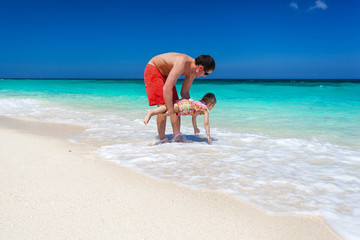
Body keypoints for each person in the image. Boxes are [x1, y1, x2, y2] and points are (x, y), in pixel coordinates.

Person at [144, 52, 215, 143]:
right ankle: (162, 140)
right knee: (164, 104)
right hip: (154, 69)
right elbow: (167, 88)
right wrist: (170, 109)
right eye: (206, 73)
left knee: (176, 103)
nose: (204, 76)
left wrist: (193, 108)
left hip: (166, 74)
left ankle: (177, 136)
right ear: (201, 67)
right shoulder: (182, 63)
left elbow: (184, 93)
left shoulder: (193, 72)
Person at [144, 93, 216, 144]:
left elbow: (194, 117)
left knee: (167, 110)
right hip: (185, 106)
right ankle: (152, 112)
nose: (211, 108)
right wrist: (208, 135)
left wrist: (195, 127)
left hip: (184, 103)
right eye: (213, 106)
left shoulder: (199, 105)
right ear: (210, 105)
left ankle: (152, 112)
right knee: (168, 108)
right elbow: (206, 123)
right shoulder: (205, 109)